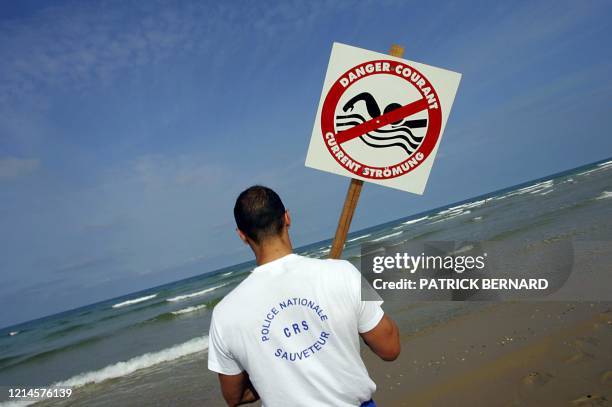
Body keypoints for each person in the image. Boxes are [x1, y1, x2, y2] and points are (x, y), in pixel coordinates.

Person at [208, 185, 400, 406]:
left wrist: (273, 376)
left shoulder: (224, 313)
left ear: (241, 235)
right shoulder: (342, 272)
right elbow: (390, 348)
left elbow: (234, 397)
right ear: (287, 218)